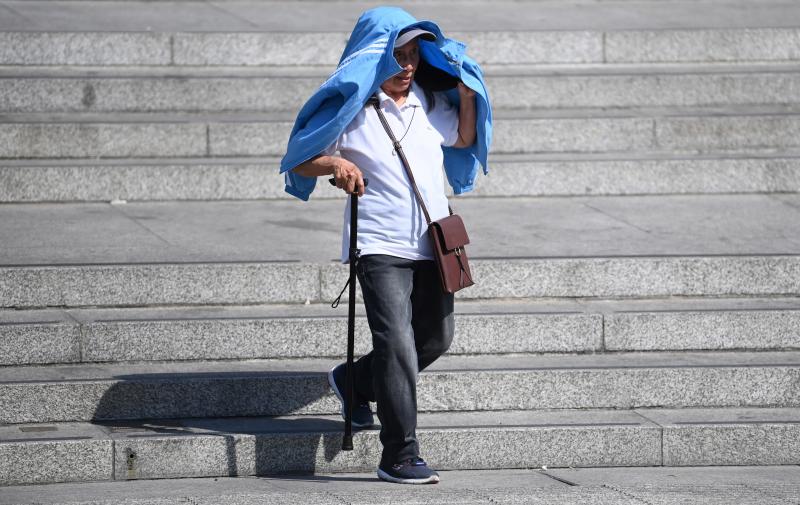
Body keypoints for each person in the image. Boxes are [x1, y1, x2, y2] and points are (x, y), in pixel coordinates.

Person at [280, 7, 492, 485]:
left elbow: (462, 136)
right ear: (377, 57)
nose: (408, 65)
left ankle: (353, 380)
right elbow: (302, 157)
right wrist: (335, 165)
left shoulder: (426, 102)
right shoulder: (352, 107)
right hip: (378, 244)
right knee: (396, 343)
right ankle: (399, 453)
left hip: (433, 245)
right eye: (398, 55)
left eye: (414, 55)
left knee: (434, 339)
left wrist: (465, 90)